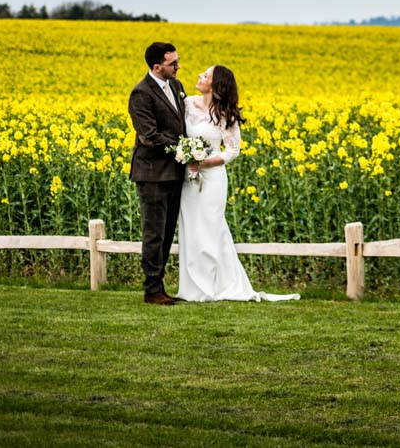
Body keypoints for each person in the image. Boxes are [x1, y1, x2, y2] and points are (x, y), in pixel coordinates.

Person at [177, 64, 299, 302]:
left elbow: (233, 150)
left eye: (206, 75)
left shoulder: (226, 114)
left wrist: (204, 162)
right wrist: (187, 157)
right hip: (188, 178)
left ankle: (217, 285)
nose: (200, 76)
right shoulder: (187, 105)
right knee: (191, 229)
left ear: (216, 84)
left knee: (212, 229)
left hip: (212, 179)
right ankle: (193, 288)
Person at [128, 41, 187, 305]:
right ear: (156, 67)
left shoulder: (177, 86)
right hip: (152, 174)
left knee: (167, 233)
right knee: (154, 233)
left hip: (175, 172)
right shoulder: (141, 93)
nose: (178, 66)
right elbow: (149, 136)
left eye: (177, 60)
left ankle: (159, 287)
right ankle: (152, 290)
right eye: (172, 63)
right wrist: (183, 148)